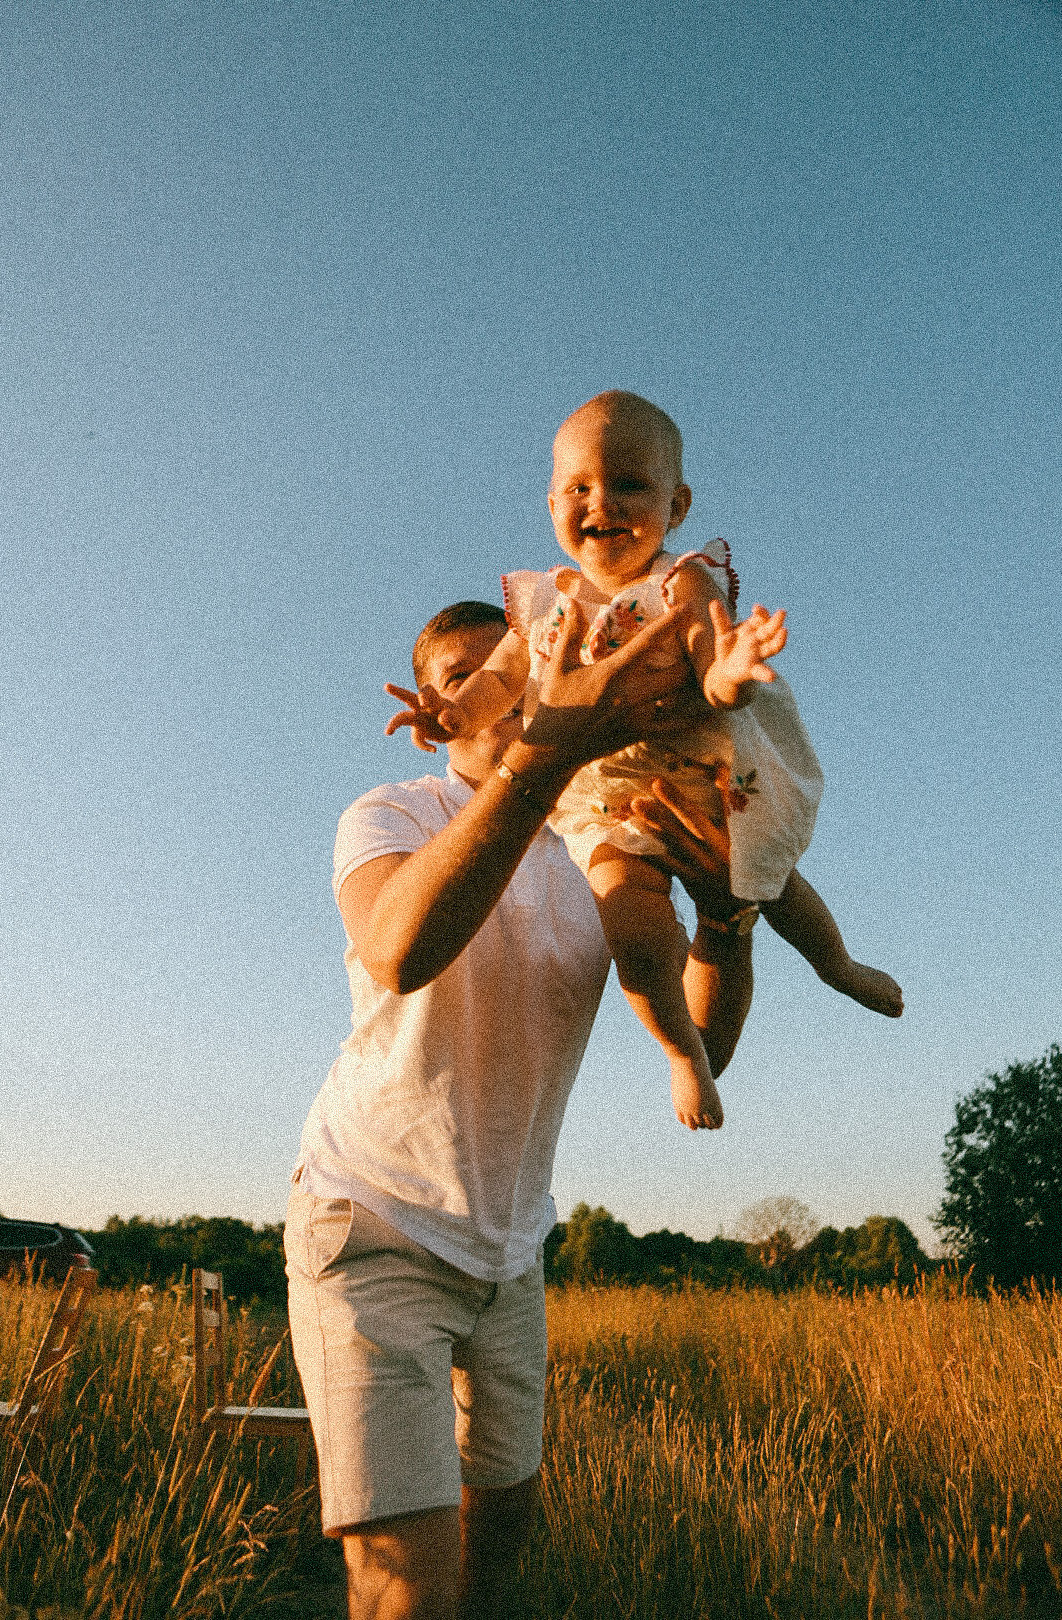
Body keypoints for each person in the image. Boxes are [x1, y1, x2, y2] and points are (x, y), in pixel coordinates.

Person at [286, 596, 755, 1619]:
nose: (488, 681)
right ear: (436, 707)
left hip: (512, 1255)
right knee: (405, 1592)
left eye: (505, 661)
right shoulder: (392, 811)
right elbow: (398, 949)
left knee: (497, 1549)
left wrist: (726, 920)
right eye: (458, 672)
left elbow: (703, 1044)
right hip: (372, 1223)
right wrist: (536, 764)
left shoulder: (601, 845)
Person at [388, 391, 902, 1137]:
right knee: (632, 922)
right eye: (580, 487)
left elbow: (703, 646)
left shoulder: (681, 577)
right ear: (552, 502)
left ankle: (838, 965)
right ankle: (680, 1051)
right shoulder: (537, 600)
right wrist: (452, 713)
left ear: (677, 503)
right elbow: (500, 681)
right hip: (603, 802)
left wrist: (726, 673)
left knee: (773, 883)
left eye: (629, 484)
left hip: (701, 772)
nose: (602, 501)